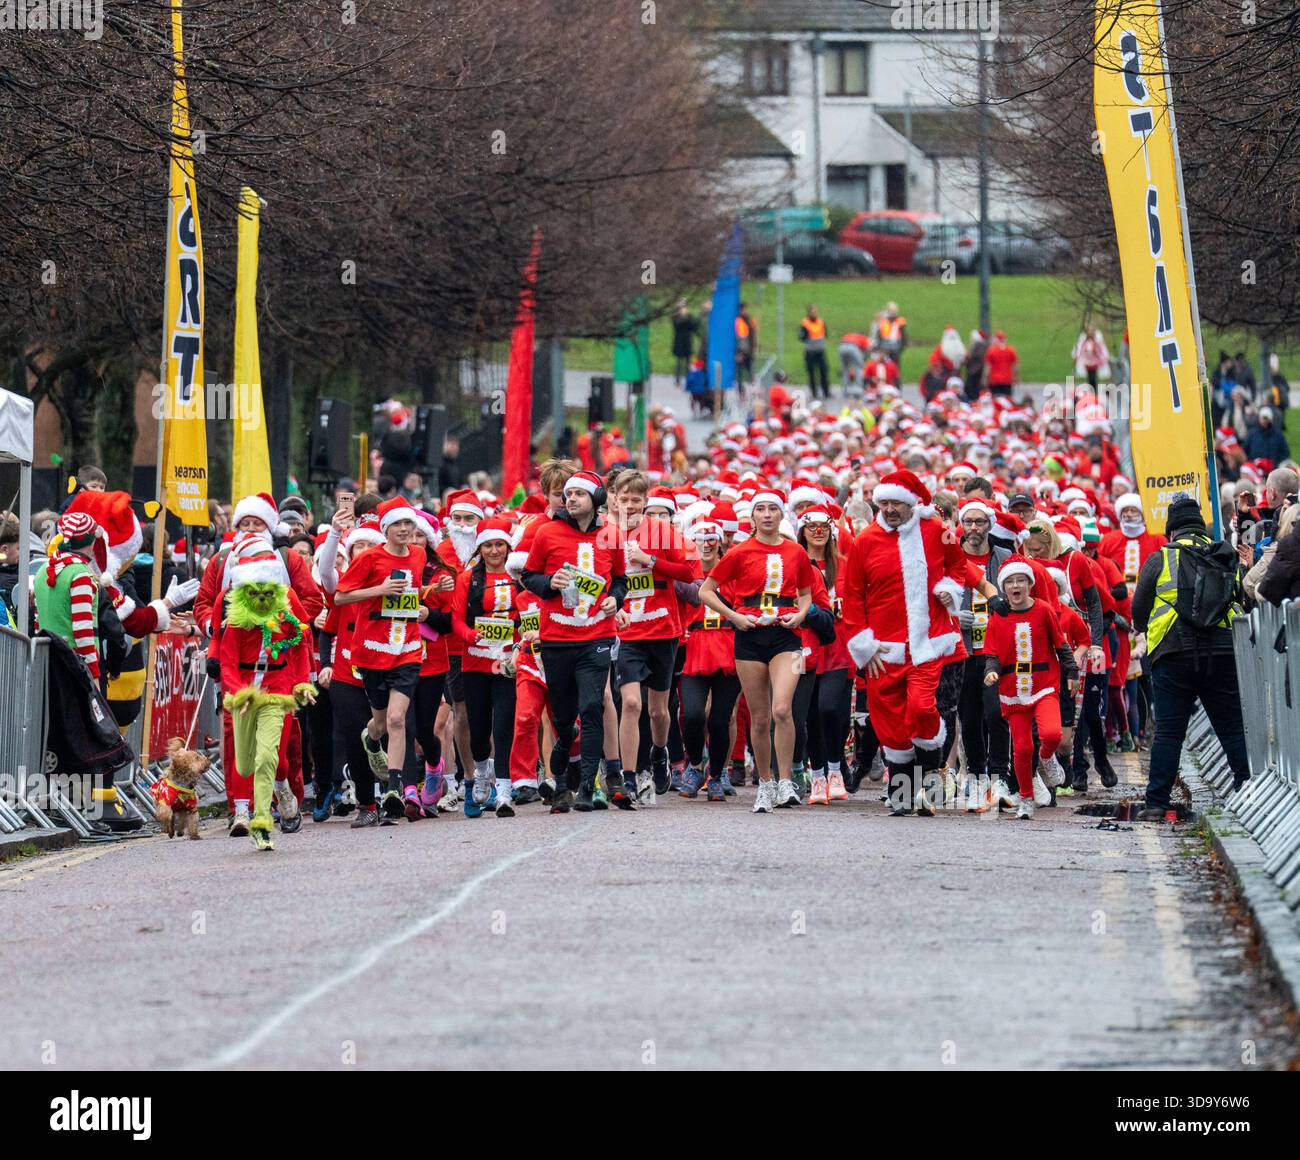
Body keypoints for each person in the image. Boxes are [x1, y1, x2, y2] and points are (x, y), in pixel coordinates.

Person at [841, 470, 967, 816]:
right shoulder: (865, 540)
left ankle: (929, 778)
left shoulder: (938, 532)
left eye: (897, 502)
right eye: (884, 502)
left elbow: (959, 569)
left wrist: (950, 590)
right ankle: (902, 794)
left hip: (927, 644)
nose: (890, 508)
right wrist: (863, 644)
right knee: (890, 725)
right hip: (883, 649)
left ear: (912, 503)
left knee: (922, 709)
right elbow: (851, 595)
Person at [1131, 494, 1250, 819]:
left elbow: (1138, 611)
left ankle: (1156, 803)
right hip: (1223, 651)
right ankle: (1249, 794)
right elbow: (1244, 598)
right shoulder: (1224, 556)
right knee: (1231, 728)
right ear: (1201, 528)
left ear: (1171, 531)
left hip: (1174, 654)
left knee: (1169, 731)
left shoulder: (1160, 559)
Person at [699, 489, 812, 814]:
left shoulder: (795, 552)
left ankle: (786, 781)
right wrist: (734, 617)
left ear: (781, 515)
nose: (766, 515)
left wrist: (801, 614)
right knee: (760, 717)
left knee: (782, 709)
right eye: (760, 509)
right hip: (749, 638)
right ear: (752, 517)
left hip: (786, 636)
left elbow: (805, 595)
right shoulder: (739, 551)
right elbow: (707, 591)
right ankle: (765, 784)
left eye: (772, 509)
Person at [520, 470, 626, 813]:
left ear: (595, 500)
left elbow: (621, 580)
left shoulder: (612, 534)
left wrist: (616, 599)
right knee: (564, 718)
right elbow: (528, 576)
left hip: (596, 634)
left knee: (592, 707)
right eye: (568, 494)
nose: (572, 499)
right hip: (557, 636)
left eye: (580, 493)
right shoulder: (547, 532)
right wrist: (549, 582)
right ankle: (563, 773)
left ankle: (584, 787)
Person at [211, 536, 316, 850]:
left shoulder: (286, 599)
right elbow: (220, 642)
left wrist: (302, 681)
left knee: (273, 756)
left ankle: (271, 799)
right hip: (242, 689)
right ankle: (244, 809)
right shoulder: (229, 600)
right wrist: (226, 680)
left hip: (277, 688)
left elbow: (300, 641)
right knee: (244, 759)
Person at [333, 497, 427, 825]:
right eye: (398, 524)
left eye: (409, 524)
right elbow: (341, 596)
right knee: (381, 723)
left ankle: (394, 789)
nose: (404, 530)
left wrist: (422, 606)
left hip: (407, 648)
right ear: (386, 528)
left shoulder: (419, 554)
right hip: (372, 650)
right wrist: (380, 589)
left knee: (399, 720)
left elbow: (411, 595)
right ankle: (371, 739)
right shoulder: (370, 558)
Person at [609, 474, 696, 806]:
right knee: (631, 703)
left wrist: (651, 561)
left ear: (645, 501)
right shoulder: (606, 535)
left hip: (663, 628)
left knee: (659, 711)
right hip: (628, 631)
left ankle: (660, 753)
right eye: (624, 499)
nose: (629, 505)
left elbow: (689, 573)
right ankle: (629, 779)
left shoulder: (661, 531)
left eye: (636, 500)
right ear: (613, 499)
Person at [982, 561, 1075, 819]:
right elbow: (992, 653)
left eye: (1021, 581)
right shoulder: (998, 617)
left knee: (1052, 734)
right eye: (1010, 582)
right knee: (1022, 749)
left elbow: (1061, 645)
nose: (1016, 586)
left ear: (1030, 585)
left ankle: (1047, 758)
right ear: (1003, 588)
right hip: (1013, 690)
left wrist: (1073, 673)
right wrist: (991, 671)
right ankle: (1025, 798)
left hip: (1044, 684)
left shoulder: (1044, 610)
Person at [451, 516, 522, 817]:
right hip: (475, 662)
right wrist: (470, 635)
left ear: (508, 547)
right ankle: (481, 770)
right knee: (478, 728)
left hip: (508, 661)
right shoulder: (468, 579)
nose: (495, 551)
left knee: (504, 725)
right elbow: (455, 618)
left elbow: (529, 611)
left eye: (500, 545)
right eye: (489, 545)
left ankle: (504, 789)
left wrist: (519, 643)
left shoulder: (518, 575)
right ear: (480, 548)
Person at [799, 305, 829, 401]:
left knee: (824, 371)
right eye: (812, 312)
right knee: (811, 373)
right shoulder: (805, 323)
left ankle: (826, 392)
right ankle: (814, 393)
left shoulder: (821, 322)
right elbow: (801, 337)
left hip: (820, 351)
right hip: (810, 352)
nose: (814, 313)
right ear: (809, 313)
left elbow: (825, 333)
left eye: (815, 312)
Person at [982, 330, 1019, 397]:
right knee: (1007, 400)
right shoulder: (1010, 350)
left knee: (996, 400)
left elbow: (988, 367)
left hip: (994, 380)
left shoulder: (991, 350)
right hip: (1007, 379)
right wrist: (1016, 377)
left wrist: (985, 378)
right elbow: (1015, 366)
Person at [671, 301, 699, 387]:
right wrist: (684, 317)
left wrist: (687, 317)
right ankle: (677, 379)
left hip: (687, 341)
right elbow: (677, 326)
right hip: (679, 341)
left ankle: (688, 378)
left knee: (688, 362)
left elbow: (693, 327)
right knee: (679, 362)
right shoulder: (676, 317)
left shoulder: (690, 317)